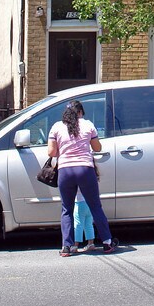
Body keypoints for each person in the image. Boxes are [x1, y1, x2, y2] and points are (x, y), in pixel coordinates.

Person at [47, 100, 115, 256]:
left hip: (65, 171)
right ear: (80, 112)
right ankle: (107, 243)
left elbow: (51, 152)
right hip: (85, 169)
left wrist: (64, 150)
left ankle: (67, 246)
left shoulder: (57, 127)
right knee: (95, 206)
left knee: (67, 209)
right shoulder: (88, 125)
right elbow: (97, 148)